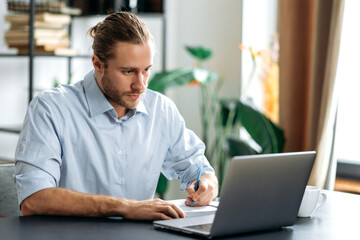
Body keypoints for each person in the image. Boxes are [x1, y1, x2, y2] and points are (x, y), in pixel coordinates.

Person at [14, 12, 218, 220]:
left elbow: (198, 167)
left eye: (146, 70)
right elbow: (34, 199)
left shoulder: (161, 110)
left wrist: (206, 183)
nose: (140, 85)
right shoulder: (51, 108)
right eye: (128, 71)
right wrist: (124, 207)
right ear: (98, 64)